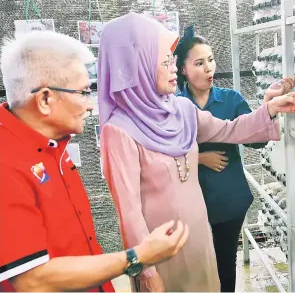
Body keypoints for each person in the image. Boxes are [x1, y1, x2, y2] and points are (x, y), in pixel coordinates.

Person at [98, 13, 295, 292]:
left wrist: (270, 109)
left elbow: (232, 130)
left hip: (198, 235)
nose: (173, 69)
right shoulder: (118, 131)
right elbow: (128, 213)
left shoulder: (182, 110)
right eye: (165, 62)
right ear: (136, 66)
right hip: (160, 249)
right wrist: (146, 270)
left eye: (173, 61)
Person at [0, 30, 189, 292]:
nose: (91, 105)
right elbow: (32, 280)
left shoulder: (53, 145)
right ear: (45, 99)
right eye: (83, 92)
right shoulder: (6, 164)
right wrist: (137, 257)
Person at [174, 27, 295, 292]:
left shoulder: (231, 99)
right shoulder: (175, 104)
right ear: (182, 69)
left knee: (224, 264)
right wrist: (199, 157)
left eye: (211, 60)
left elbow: (257, 139)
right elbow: (163, 152)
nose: (208, 68)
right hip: (188, 200)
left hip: (227, 199)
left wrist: (269, 106)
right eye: (199, 63)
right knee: (193, 266)